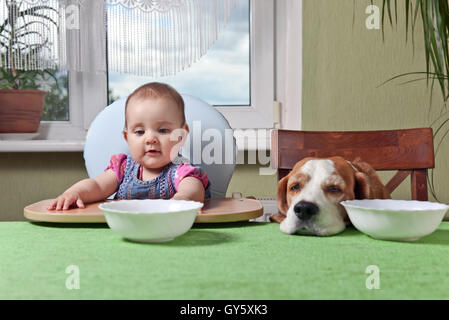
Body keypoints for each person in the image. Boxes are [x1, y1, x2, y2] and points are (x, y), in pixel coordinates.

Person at [48, 82, 210, 211]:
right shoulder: (123, 168)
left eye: (162, 130)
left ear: (180, 136)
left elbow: (192, 189)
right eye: (140, 132)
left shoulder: (180, 171)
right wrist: (74, 193)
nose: (150, 139)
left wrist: (184, 198)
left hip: (169, 230)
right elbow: (96, 185)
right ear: (127, 137)